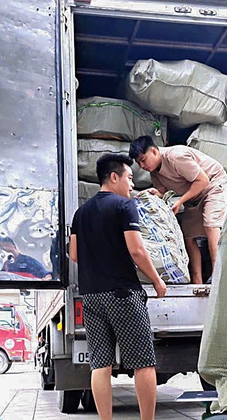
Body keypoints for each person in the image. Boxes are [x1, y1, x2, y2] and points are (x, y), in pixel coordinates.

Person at [69, 153, 167, 420]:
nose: (132, 185)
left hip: (91, 296)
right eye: (130, 178)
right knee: (143, 362)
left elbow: (74, 254)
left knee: (100, 364)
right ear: (114, 177)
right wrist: (157, 280)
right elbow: (136, 250)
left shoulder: (81, 212)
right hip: (122, 294)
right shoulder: (125, 206)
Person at [129, 136, 227, 284]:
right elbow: (162, 192)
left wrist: (180, 201)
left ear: (154, 151)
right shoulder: (154, 172)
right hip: (193, 196)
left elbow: (203, 181)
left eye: (143, 160)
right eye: (139, 163)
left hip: (213, 185)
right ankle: (197, 280)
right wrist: (152, 194)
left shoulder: (175, 157)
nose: (142, 165)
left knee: (211, 225)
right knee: (188, 236)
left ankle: (217, 275)